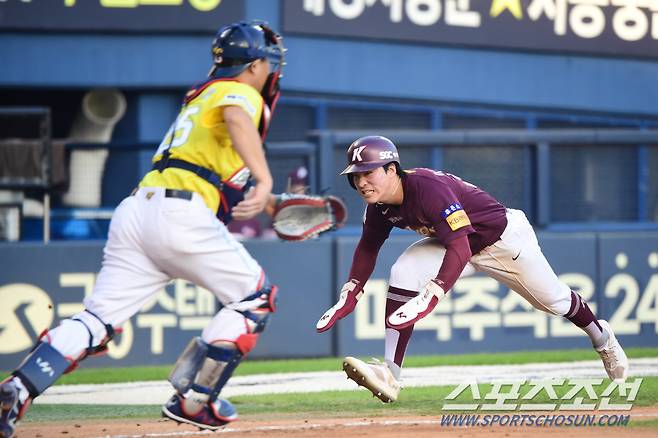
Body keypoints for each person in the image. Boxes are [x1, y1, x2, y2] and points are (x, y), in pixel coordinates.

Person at [0, 20, 285, 436]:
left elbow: (216, 172)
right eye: (267, 61)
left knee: (97, 319)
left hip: (138, 211)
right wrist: (266, 179)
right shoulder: (238, 91)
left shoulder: (199, 102)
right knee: (254, 299)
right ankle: (194, 401)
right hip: (179, 216)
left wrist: (271, 201)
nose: (270, 69)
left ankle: (17, 389)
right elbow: (238, 119)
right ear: (255, 64)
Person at [316, 135, 629, 403]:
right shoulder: (378, 207)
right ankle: (390, 374)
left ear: (391, 169)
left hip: (502, 241)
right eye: (356, 176)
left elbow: (462, 246)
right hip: (456, 245)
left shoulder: (427, 188)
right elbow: (368, 247)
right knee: (404, 270)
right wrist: (351, 290)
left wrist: (434, 292)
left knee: (553, 301)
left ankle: (601, 337)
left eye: (368, 173)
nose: (361, 182)